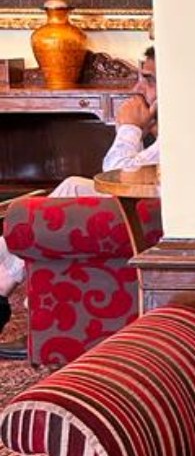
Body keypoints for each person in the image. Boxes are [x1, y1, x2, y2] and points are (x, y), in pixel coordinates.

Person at [0, 47, 158, 354]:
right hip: (149, 214)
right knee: (72, 188)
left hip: (150, 223)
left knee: (49, 206)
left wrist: (129, 129)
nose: (137, 89)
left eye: (149, 80)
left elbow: (118, 180)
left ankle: (3, 287)